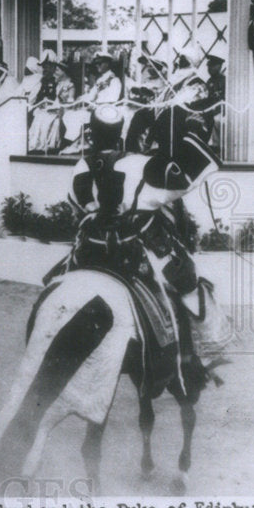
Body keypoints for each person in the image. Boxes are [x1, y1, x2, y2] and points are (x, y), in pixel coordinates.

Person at [63, 104, 220, 387]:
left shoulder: (80, 166)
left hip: (90, 252)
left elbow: (75, 204)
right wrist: (193, 131)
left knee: (59, 276)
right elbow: (181, 184)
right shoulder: (138, 164)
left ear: (92, 133)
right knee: (187, 278)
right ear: (120, 132)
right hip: (131, 251)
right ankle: (204, 349)